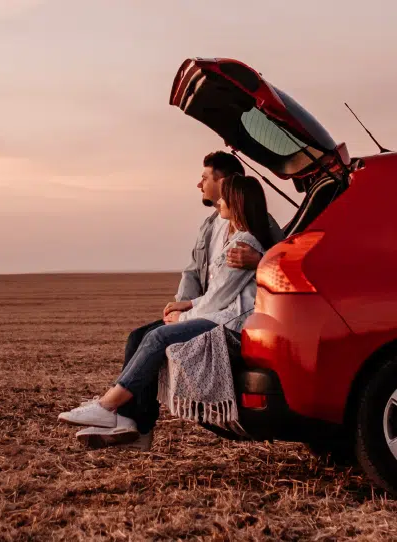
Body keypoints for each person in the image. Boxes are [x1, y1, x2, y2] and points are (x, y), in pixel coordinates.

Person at [71, 151, 284, 450]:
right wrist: (182, 305)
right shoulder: (210, 225)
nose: (199, 185)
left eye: (205, 178)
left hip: (223, 314)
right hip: (207, 308)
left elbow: (283, 257)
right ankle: (134, 426)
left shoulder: (251, 230)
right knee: (138, 337)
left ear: (223, 184)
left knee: (158, 338)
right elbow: (194, 272)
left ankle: (110, 409)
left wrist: (260, 262)